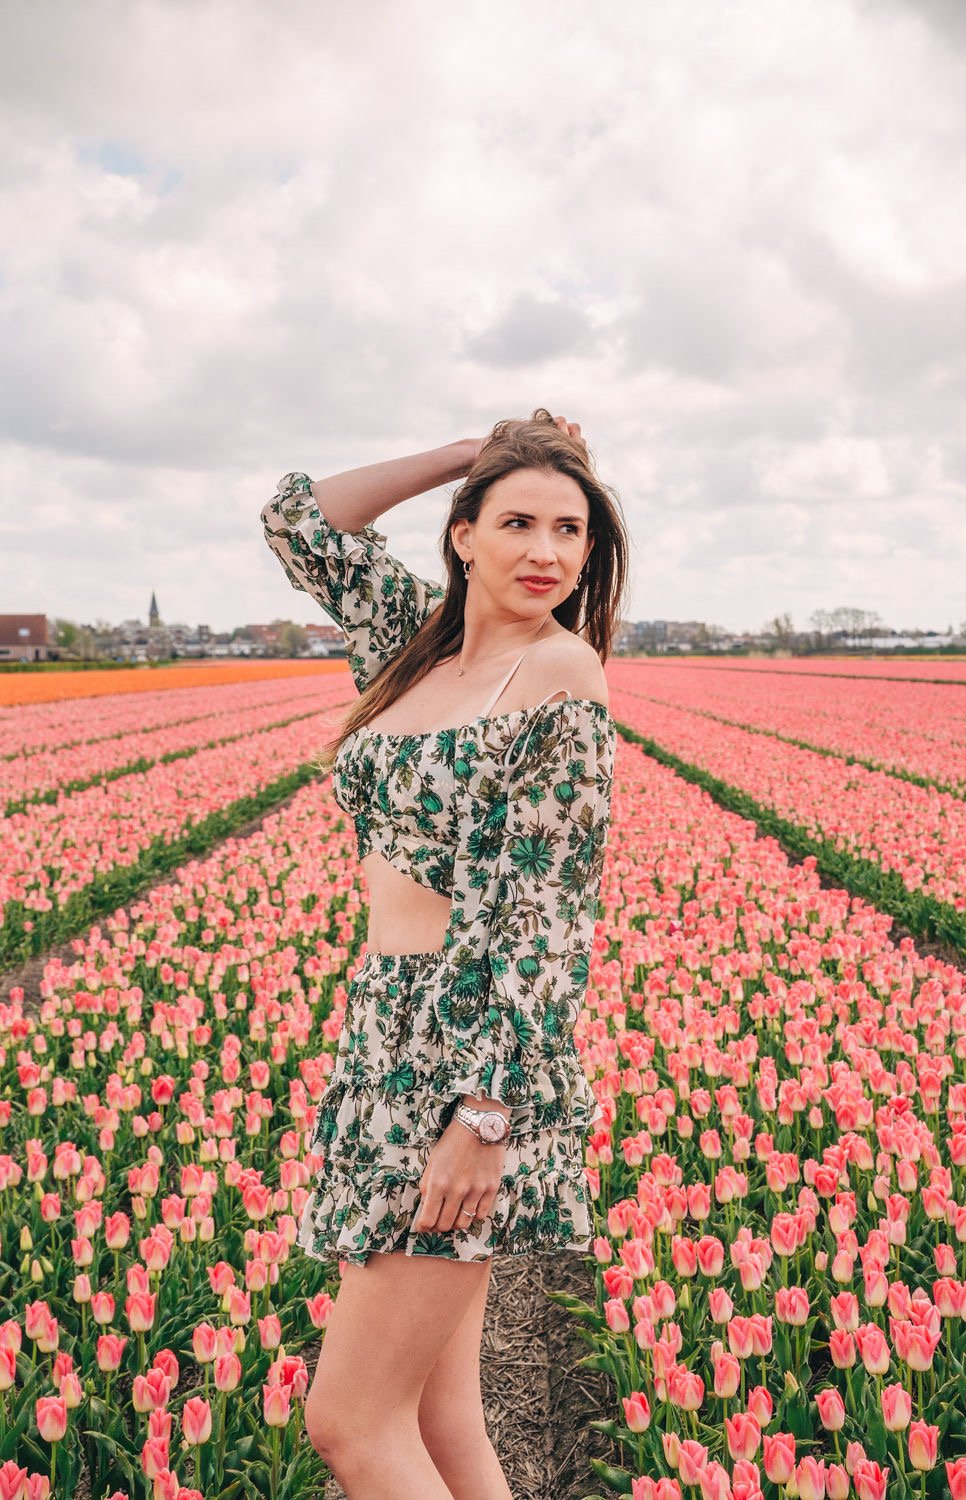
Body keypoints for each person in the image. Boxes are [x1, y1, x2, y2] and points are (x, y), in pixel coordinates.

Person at [260, 410, 628, 1498]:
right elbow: (298, 519)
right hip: (384, 1032)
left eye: (572, 531)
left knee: (351, 1423)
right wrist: (473, 450)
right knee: (440, 1415)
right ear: (461, 533)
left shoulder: (561, 680)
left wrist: (486, 1116)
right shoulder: (410, 647)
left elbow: (549, 920)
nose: (549, 555)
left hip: (472, 1061)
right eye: (517, 521)